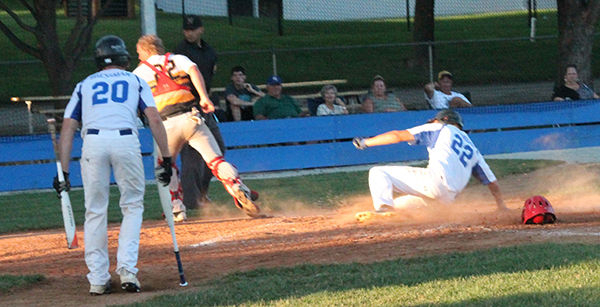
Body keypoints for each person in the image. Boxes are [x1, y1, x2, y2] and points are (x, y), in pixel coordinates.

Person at [53, 35, 172, 295]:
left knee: (95, 210)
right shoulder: (135, 80)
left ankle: (97, 278)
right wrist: (167, 156)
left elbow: (68, 126)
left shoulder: (84, 84)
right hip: (125, 140)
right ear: (124, 59)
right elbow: (153, 118)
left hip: (93, 142)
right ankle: (127, 270)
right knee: (132, 205)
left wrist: (63, 170)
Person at [133, 34, 261, 220]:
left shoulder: (139, 72)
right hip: (191, 118)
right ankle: (236, 186)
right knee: (215, 160)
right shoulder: (177, 58)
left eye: (138, 53)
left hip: (166, 124)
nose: (138, 57)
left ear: (145, 50)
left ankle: (177, 208)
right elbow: (194, 70)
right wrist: (204, 97)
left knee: (166, 165)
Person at [352, 109, 507, 217]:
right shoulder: (473, 149)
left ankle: (384, 210)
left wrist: (366, 142)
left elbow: (398, 135)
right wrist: (501, 206)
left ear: (443, 119)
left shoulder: (440, 127)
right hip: (447, 200)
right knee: (397, 206)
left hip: (435, 183)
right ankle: (389, 210)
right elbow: (492, 182)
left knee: (378, 172)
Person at [174, 15, 226, 210]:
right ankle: (191, 200)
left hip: (204, 105)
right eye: (186, 29)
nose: (189, 32)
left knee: (218, 148)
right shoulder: (180, 53)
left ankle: (202, 192)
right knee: (192, 155)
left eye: (192, 29)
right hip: (187, 107)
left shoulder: (210, 52)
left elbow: (210, 77)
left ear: (201, 29)